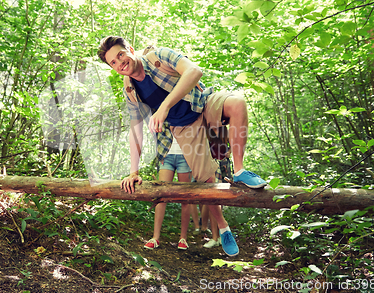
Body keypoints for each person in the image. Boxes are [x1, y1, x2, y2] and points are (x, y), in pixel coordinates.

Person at [97, 36, 267, 257]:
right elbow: (135, 129)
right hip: (184, 127)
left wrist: (164, 107)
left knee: (237, 103)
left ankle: (240, 170)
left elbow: (194, 71)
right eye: (113, 62)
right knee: (206, 179)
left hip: (202, 104)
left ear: (130, 49)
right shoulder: (130, 90)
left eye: (121, 55)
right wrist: (133, 171)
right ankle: (224, 228)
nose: (120, 63)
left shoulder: (158, 56)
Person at [144, 138, 192, 250]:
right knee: (161, 196)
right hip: (167, 155)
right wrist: (159, 153)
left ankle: (183, 238)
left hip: (185, 155)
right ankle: (155, 238)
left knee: (184, 198)